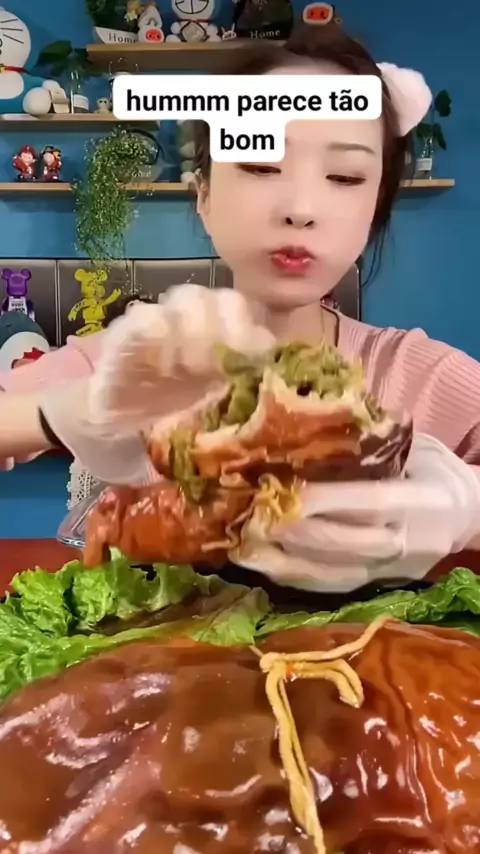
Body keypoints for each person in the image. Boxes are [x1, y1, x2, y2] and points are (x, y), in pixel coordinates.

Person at [3, 24, 480, 595]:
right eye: (259, 164)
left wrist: (466, 507)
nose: (300, 207)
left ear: (375, 210)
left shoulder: (420, 375)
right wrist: (58, 412)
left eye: (345, 176)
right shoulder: (130, 365)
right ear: (204, 194)